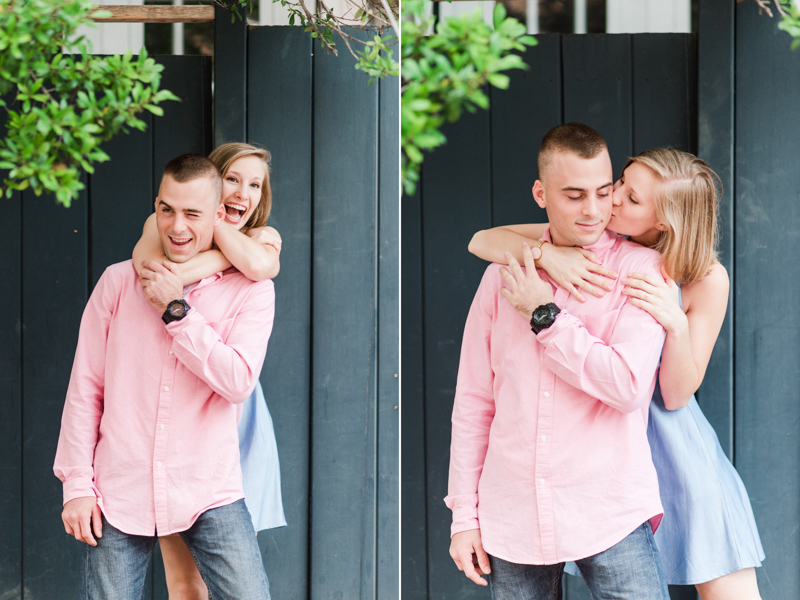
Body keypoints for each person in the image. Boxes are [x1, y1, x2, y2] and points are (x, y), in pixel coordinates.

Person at [469, 146, 764, 600]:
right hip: (595, 440)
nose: (612, 199)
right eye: (621, 183)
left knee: (727, 588)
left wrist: (676, 323)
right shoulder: (593, 237)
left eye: (632, 197)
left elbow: (677, 395)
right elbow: (484, 240)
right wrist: (549, 255)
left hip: (668, 441)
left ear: (664, 220)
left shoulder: (706, 278)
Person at [446, 123, 670, 599]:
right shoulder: (500, 277)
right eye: (573, 195)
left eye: (603, 192)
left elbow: (628, 387)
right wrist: (463, 517)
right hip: (513, 512)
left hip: (608, 507)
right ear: (540, 193)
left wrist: (545, 316)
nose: (593, 210)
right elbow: (473, 402)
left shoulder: (641, 271)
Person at [54, 154, 273, 600]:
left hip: (208, 486)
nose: (177, 227)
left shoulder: (252, 291)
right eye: (167, 210)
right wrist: (77, 486)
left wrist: (177, 312)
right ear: (155, 206)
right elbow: (85, 389)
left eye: (192, 214)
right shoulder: (118, 283)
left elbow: (237, 382)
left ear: (216, 216)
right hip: (119, 488)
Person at [132, 143, 286, 600]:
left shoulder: (264, 236)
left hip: (238, 413)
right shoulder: (160, 228)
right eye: (234, 179)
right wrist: (216, 250)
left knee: (235, 573)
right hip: (175, 418)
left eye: (255, 184)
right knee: (184, 582)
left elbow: (260, 266)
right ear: (213, 186)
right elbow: (148, 266)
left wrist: (214, 237)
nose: (244, 192)